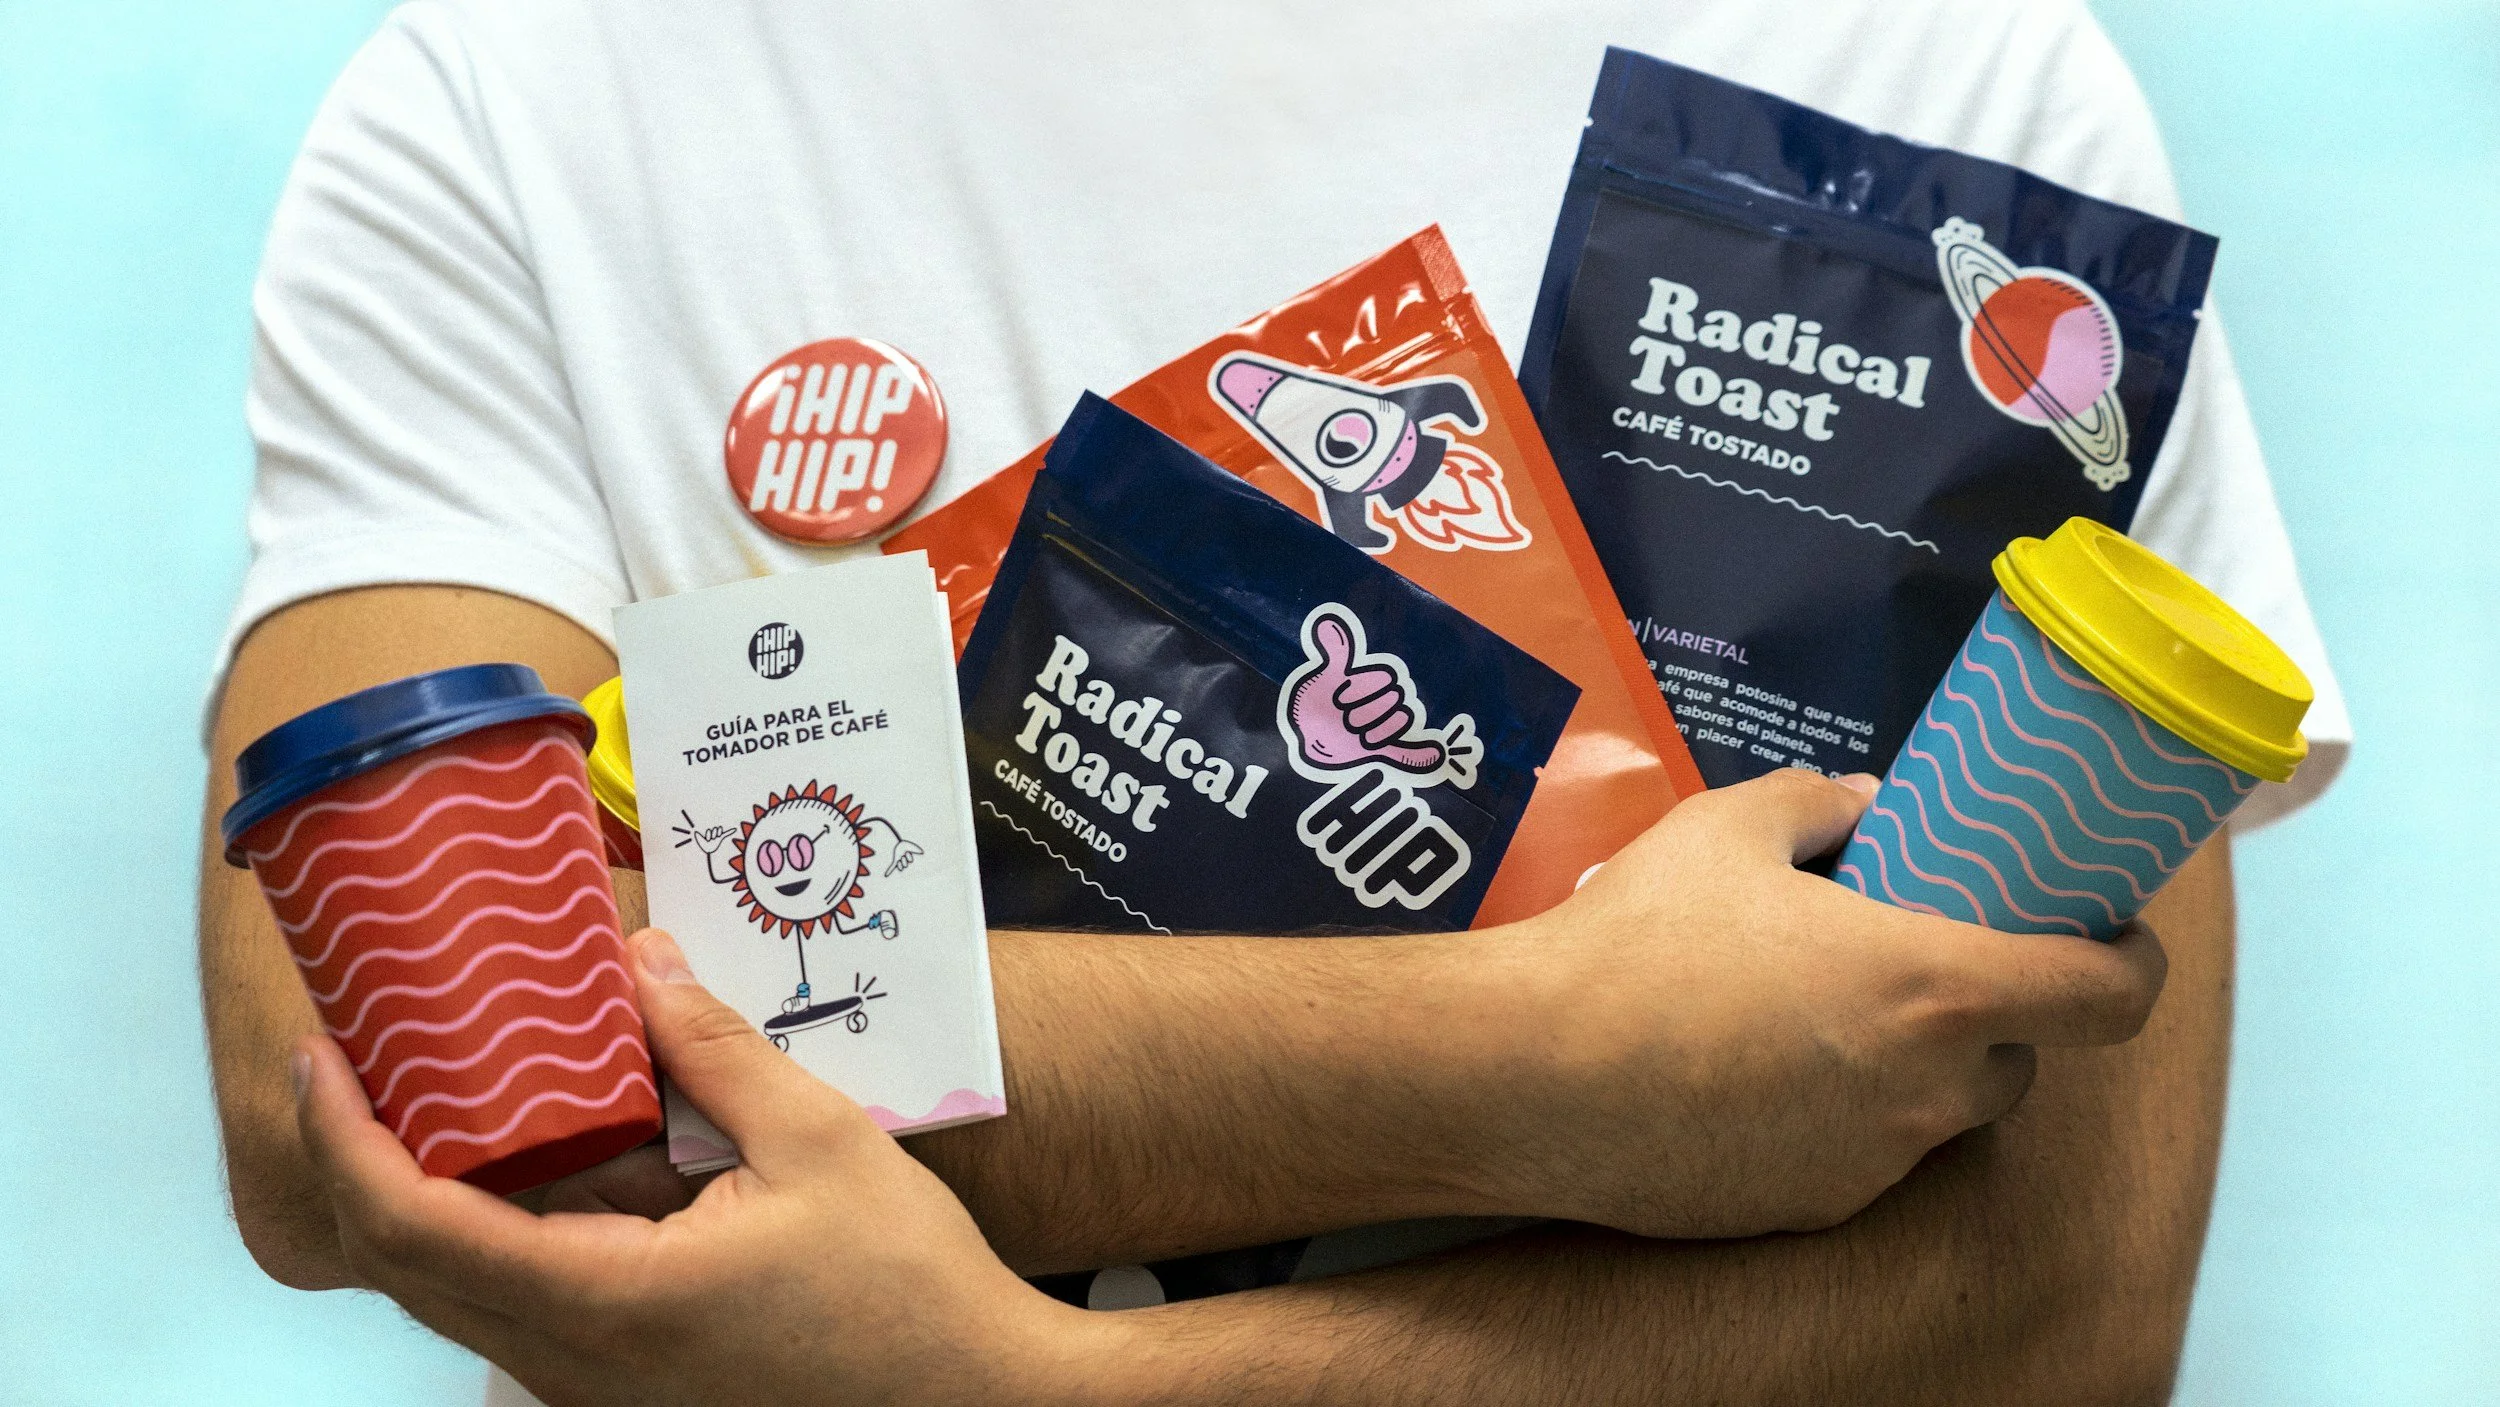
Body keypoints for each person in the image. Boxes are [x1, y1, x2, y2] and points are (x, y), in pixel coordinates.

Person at [200, 0, 2350, 1402]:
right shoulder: (517, 96)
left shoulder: (1937, 71)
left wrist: (1025, 1387)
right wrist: (1543, 1066)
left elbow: (2057, 1309)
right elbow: (385, 1090)